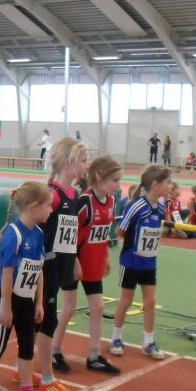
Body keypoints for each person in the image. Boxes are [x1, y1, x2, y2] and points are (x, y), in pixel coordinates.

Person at [0, 181, 53, 391]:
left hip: (27, 299)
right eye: (48, 206)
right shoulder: (13, 235)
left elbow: (39, 270)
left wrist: (39, 302)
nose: (51, 210)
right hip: (7, 297)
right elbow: (7, 273)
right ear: (34, 207)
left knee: (27, 344)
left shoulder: (39, 234)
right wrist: (6, 306)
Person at [52, 155, 122, 376]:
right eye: (115, 180)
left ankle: (94, 356)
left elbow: (104, 233)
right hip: (74, 262)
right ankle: (54, 350)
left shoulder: (111, 202)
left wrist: (106, 257)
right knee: (69, 307)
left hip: (93, 264)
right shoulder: (84, 202)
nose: (118, 185)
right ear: (99, 177)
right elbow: (70, 233)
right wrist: (73, 261)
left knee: (98, 308)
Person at [37, 137, 88, 391]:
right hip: (45, 269)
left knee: (43, 321)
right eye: (83, 161)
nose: (86, 166)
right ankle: (47, 378)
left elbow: (68, 232)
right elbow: (37, 230)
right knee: (46, 322)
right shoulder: (53, 195)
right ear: (68, 164)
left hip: (61, 266)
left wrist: (74, 259)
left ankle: (25, 368)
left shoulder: (74, 194)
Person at [110, 165, 170, 360]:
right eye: (168, 182)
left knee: (150, 302)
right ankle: (116, 338)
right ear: (155, 185)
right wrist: (137, 241)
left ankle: (148, 342)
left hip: (149, 262)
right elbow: (120, 231)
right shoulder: (137, 206)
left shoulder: (161, 207)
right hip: (130, 261)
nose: (170, 186)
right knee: (126, 301)